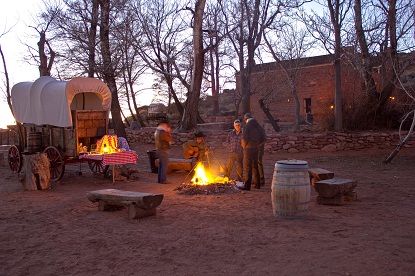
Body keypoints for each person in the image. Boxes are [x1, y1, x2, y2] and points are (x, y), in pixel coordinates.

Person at [236, 113, 266, 191]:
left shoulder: (247, 126)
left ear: (246, 119)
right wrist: (257, 144)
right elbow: (264, 137)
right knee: (255, 165)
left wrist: (244, 146)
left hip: (248, 148)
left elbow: (244, 137)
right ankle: (257, 184)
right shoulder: (258, 126)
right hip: (256, 148)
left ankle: (247, 186)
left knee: (248, 167)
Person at [154, 120, 172, 184]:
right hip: (163, 150)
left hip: (159, 149)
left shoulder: (157, 131)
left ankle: (160, 179)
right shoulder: (163, 132)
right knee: (164, 165)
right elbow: (169, 139)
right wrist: (168, 132)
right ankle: (163, 180)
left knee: (161, 165)